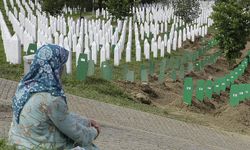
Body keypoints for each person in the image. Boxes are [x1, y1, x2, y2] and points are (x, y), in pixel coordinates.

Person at [8, 44, 100, 150]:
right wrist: (94, 131)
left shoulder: (24, 87)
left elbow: (62, 116)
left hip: (17, 143)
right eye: (62, 65)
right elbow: (78, 134)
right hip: (37, 146)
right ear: (55, 66)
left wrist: (86, 121)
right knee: (89, 147)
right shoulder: (52, 98)